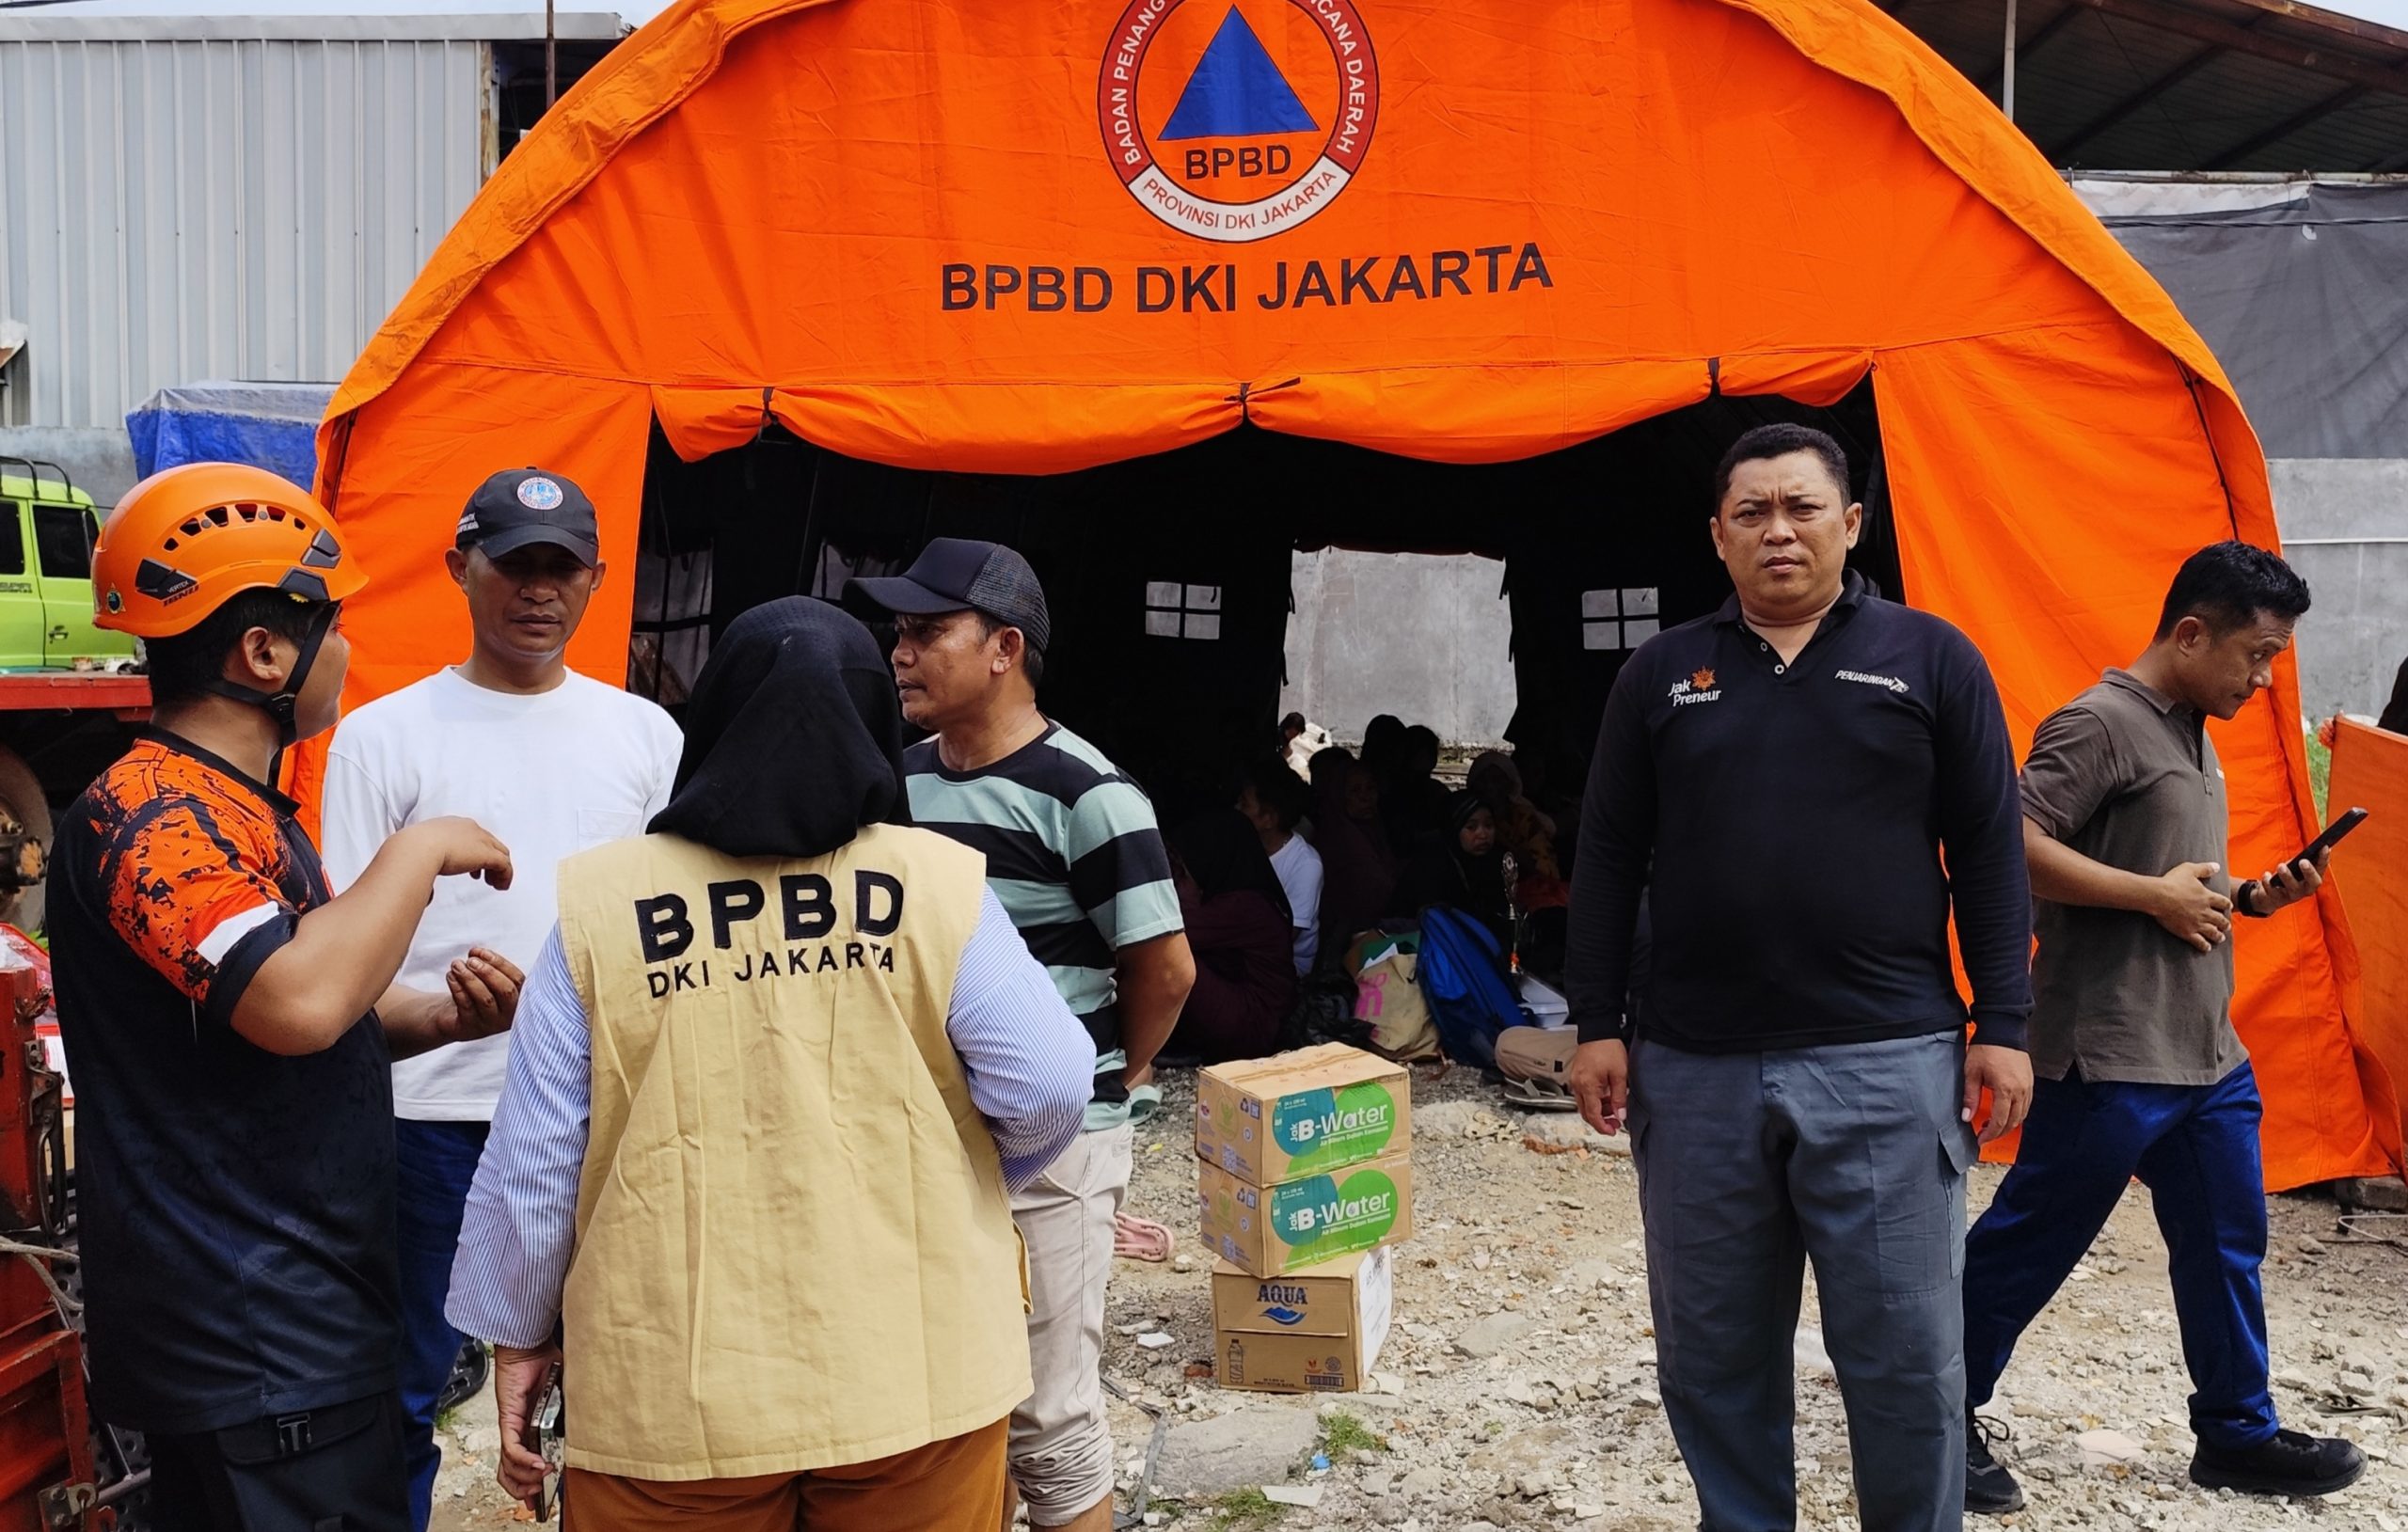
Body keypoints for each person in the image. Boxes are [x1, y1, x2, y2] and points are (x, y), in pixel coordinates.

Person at [447, 597, 1094, 1526]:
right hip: (915, 1376)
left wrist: (517, 1334)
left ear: (712, 721)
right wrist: (965, 1175)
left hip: (668, 1396)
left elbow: (539, 1161)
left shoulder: (600, 905)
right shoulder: (938, 883)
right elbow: (1050, 1082)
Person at [1563, 422, 2036, 1532]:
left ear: (1851, 523)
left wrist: (2004, 1023)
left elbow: (1988, 852)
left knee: (1905, 1355)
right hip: (1694, 1069)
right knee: (1712, 1354)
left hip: (1888, 1061)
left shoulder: (1931, 659)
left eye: (1802, 507)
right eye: (1752, 513)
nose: (1778, 531)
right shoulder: (1660, 674)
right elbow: (1607, 855)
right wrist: (1595, 1021)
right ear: (1718, 537)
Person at [48, 464, 518, 1531]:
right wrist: (418, 850)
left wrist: (439, 1017)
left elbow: (285, 1006)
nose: (346, 649)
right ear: (263, 652)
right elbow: (298, 1002)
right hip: (253, 1346)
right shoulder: (154, 816)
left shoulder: (226, 807)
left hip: (289, 1336)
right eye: (332, 625)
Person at [1961, 543, 2362, 1512]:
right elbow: (2006, 844)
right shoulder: (2098, 723)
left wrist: (2252, 897)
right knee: (2031, 1242)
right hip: (2108, 1050)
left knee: (2226, 1244)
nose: (2262, 679)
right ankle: (1928, 1415)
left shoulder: (2190, 726)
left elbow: (2175, 874)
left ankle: (2237, 1434)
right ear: (2189, 634)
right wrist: (2151, 897)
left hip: (2205, 1054)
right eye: (2255, 656)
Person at [320, 467, 682, 1530]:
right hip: (431, 1112)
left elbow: (668, 923)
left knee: (616, 1368)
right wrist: (443, 1012)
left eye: (562, 569)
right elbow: (344, 941)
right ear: (458, 569)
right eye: (515, 564)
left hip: (594, 1112)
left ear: (597, 580)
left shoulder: (645, 736)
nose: (539, 590)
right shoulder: (383, 736)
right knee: (405, 1380)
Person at [845, 540, 1196, 1532]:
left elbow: (1165, 969)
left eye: (927, 631)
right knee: (950, 1400)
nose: (900, 652)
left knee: (1048, 1412)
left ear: (1004, 648)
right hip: (923, 1137)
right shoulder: (895, 783)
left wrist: (1110, 1074)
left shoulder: (1091, 794)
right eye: (897, 632)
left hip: (1058, 1139)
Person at [1166, 810, 1298, 1063]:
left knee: (1166, 953)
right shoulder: (1243, 897)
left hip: (1253, 1028)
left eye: (1182, 873)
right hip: (1255, 1018)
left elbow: (1165, 930)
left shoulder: (1244, 905)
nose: (1177, 883)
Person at [1391, 790, 1513, 954]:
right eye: (1471, 827)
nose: (1483, 834)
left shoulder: (1494, 861)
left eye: (1489, 825)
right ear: (1453, 829)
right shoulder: (1432, 864)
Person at [1238, 755, 1323, 974]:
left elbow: (1283, 936)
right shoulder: (1243, 847)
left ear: (1268, 819)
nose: (1237, 809)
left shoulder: (1306, 864)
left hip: (1286, 967)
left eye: (1244, 804)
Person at [1311, 753, 1397, 969]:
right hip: (1343, 947)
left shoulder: (1374, 832)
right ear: (1339, 796)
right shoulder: (1336, 840)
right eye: (1355, 791)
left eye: (1370, 789)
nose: (1365, 798)